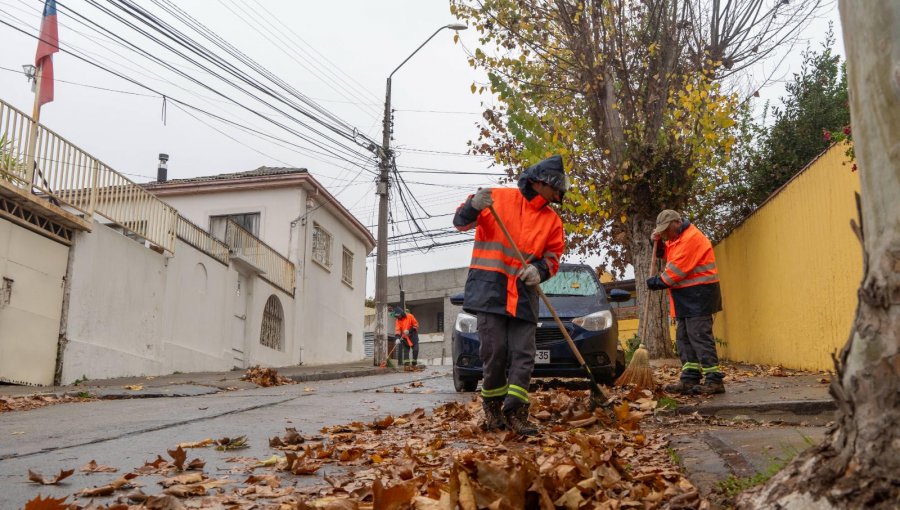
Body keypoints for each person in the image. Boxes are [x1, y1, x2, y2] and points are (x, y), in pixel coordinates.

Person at [453, 155, 567, 435]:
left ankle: (516, 412)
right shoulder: (497, 199)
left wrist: (539, 271)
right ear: (544, 182)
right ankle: (493, 407)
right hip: (490, 289)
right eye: (556, 190)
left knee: (523, 354)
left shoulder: (552, 221)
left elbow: (553, 259)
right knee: (495, 352)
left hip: (524, 293)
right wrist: (472, 205)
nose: (557, 197)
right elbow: (460, 222)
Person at [646, 209, 725, 395]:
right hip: (687, 298)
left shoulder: (691, 239)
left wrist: (657, 281)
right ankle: (690, 378)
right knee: (684, 339)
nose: (666, 235)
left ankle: (714, 380)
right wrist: (656, 244)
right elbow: (668, 255)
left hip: (699, 296)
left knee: (699, 337)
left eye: (667, 230)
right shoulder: (677, 239)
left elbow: (675, 271)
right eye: (662, 232)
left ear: (677, 222)